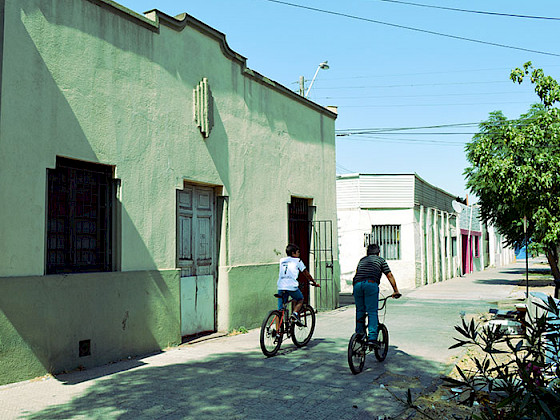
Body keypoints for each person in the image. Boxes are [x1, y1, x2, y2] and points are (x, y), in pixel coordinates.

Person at [353, 243, 400, 347]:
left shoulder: (362, 260)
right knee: (372, 311)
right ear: (378, 253)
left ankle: (359, 335)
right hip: (370, 285)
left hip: (357, 285)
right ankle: (372, 338)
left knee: (360, 310)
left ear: (367, 253)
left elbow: (357, 273)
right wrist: (396, 290)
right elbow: (389, 275)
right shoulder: (381, 260)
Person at [277, 243, 320, 325]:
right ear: (293, 253)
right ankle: (295, 314)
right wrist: (313, 282)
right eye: (298, 252)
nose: (299, 254)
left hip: (281, 286)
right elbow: (306, 273)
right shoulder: (298, 261)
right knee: (300, 299)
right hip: (291, 286)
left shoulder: (282, 260)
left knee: (280, 311)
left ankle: (278, 332)